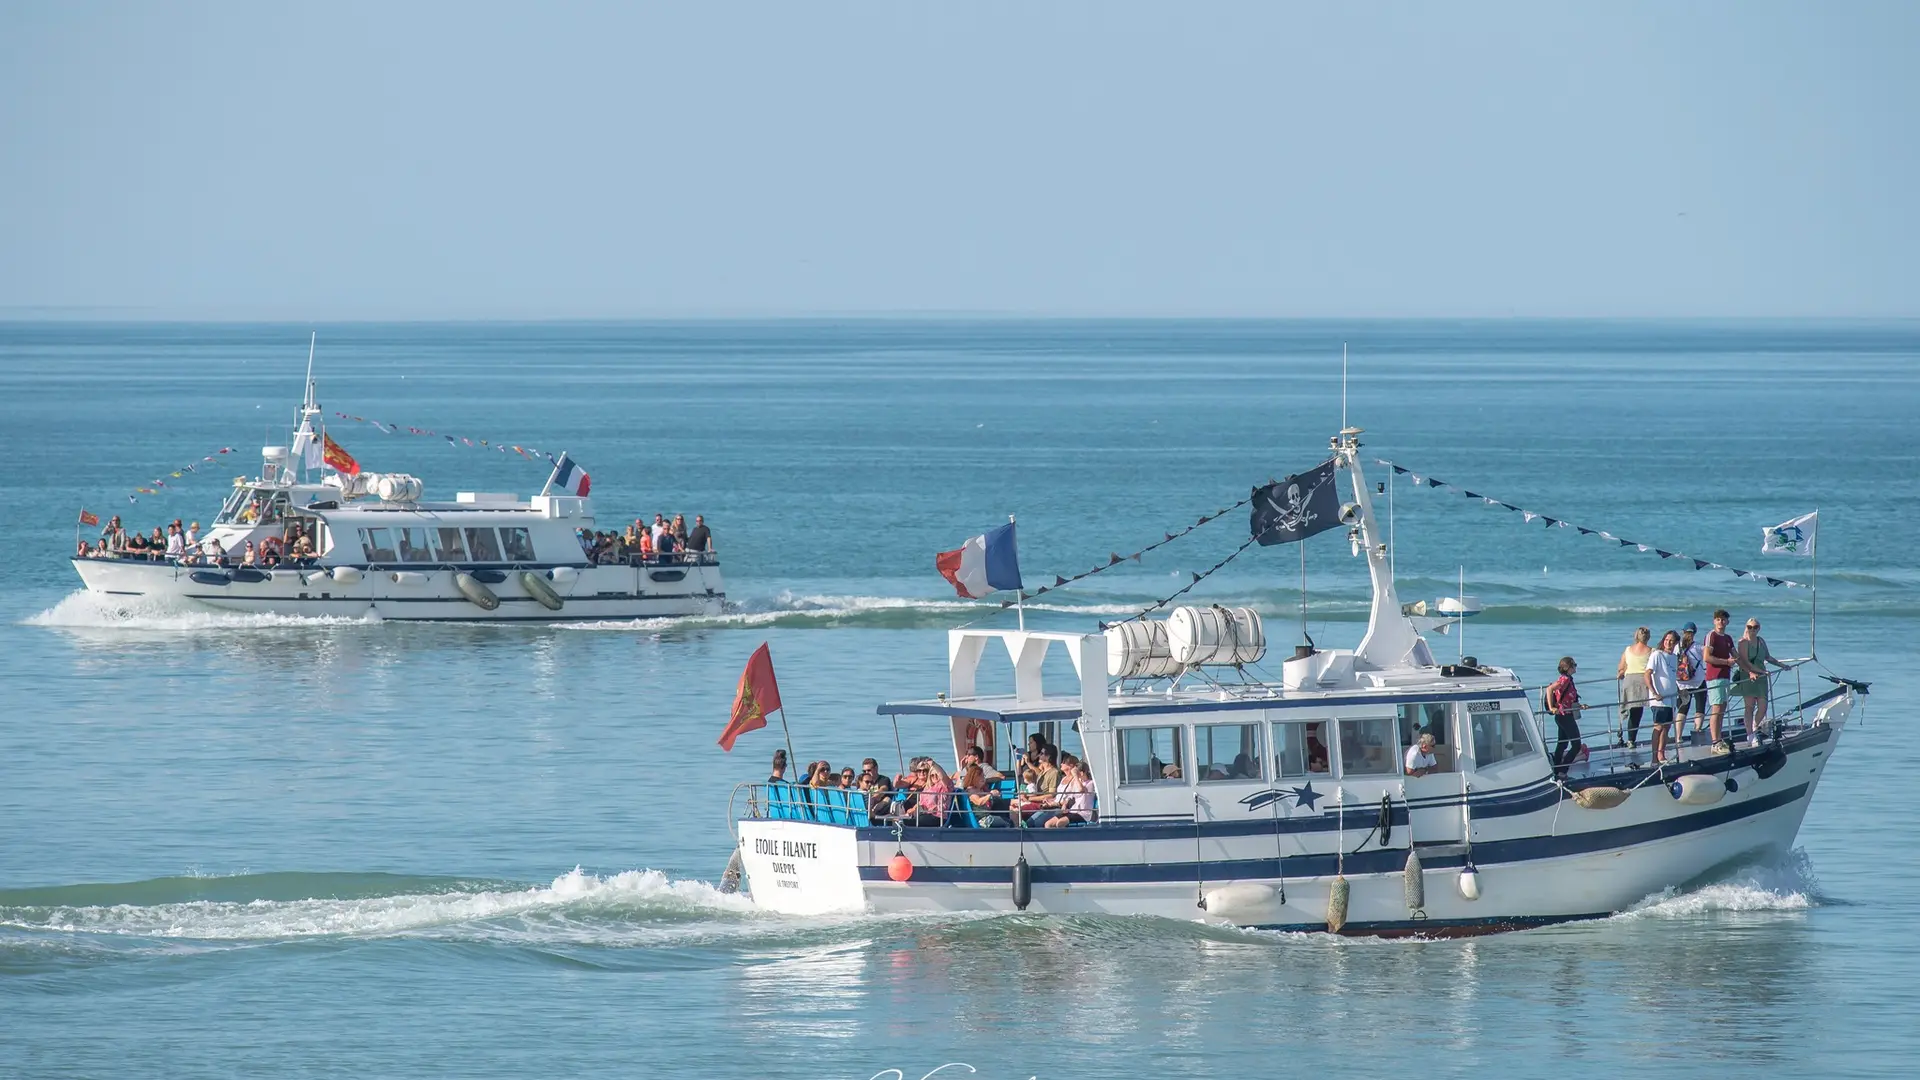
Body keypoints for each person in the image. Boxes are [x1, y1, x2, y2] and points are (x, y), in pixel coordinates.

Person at [1734, 618, 1789, 746]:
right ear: (1746, 627)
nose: (1752, 630)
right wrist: (1760, 672)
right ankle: (1750, 734)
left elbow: (1768, 657)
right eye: (1750, 627)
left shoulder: (1761, 641)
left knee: (1763, 707)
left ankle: (1754, 726)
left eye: (1755, 627)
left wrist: (1782, 665)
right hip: (1748, 675)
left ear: (1759, 628)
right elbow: (1745, 662)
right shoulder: (1743, 642)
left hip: (1761, 677)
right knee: (1749, 706)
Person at [1545, 656, 1592, 777]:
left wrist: (1580, 706)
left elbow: (1567, 698)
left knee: (1562, 743)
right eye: (1574, 665)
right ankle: (1562, 771)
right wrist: (1551, 707)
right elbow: (1549, 689)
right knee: (1576, 745)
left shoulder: (1569, 679)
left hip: (1564, 714)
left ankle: (1556, 769)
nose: (1576, 667)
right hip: (1564, 716)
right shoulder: (1565, 679)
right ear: (1569, 668)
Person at [1702, 609, 1737, 753]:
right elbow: (1707, 657)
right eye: (1718, 619)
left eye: (1723, 620)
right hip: (1714, 677)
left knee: (1722, 708)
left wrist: (1751, 669)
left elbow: (1736, 656)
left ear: (1727, 621)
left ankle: (1719, 739)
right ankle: (1715, 742)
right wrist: (1726, 662)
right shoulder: (1712, 636)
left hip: (1725, 676)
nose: (1720, 622)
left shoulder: (1727, 638)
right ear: (1714, 621)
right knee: (1716, 709)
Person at [1645, 630, 1682, 767]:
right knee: (1658, 727)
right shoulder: (1657, 655)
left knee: (1667, 727)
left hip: (1670, 699)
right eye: (1667, 640)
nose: (1668, 643)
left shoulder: (1674, 657)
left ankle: (1661, 754)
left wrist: (1679, 692)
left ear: (1676, 642)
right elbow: (1647, 674)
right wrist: (1654, 692)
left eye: (1672, 641)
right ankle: (1654, 758)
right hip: (1659, 699)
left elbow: (1672, 678)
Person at [1617, 626, 1653, 750]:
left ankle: (1628, 738)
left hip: (1629, 680)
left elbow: (1621, 667)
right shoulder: (1652, 651)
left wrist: (1622, 672)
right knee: (1641, 711)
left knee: (1631, 711)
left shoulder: (1628, 650)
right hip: (1643, 681)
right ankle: (1632, 739)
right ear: (1648, 637)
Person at [1674, 622, 1706, 744]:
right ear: (1694, 633)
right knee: (1700, 707)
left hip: (1682, 683)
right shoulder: (1698, 647)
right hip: (1698, 681)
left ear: (1683, 632)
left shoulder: (1677, 647)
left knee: (1682, 709)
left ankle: (1678, 737)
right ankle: (1697, 731)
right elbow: (1709, 655)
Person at [912, 761, 953, 827]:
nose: (934, 777)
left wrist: (934, 764)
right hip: (926, 815)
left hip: (939, 817)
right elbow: (921, 804)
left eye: (936, 775)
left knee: (917, 820)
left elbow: (943, 776)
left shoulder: (945, 785)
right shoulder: (928, 788)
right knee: (909, 818)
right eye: (932, 775)